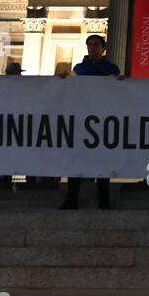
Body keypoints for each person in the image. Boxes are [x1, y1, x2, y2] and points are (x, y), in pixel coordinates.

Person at [61, 34, 124, 210]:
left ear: (103, 48)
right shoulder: (79, 68)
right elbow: (70, 88)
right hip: (82, 120)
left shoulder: (111, 68)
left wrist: (122, 82)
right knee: (77, 160)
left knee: (102, 161)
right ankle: (71, 199)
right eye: (89, 45)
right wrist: (62, 81)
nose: (92, 48)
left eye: (96, 45)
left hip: (103, 121)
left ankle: (103, 201)